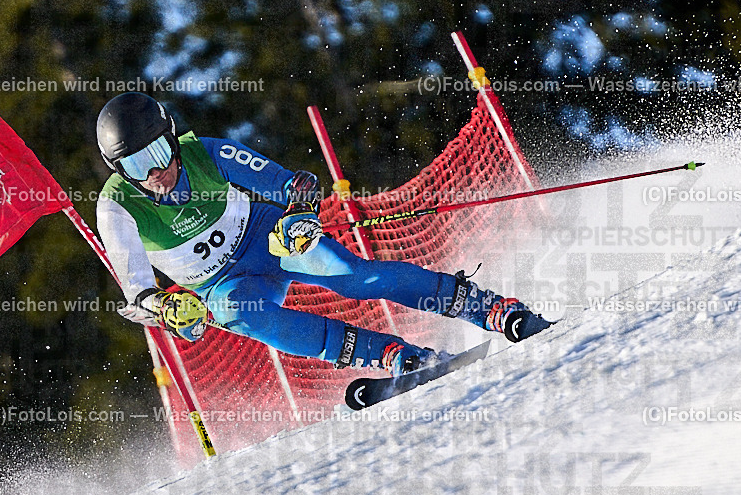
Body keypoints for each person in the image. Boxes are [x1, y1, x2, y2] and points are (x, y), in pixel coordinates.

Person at [95, 92, 551, 377]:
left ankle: (489, 309)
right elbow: (137, 294)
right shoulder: (116, 208)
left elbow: (295, 184)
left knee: (355, 277)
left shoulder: (205, 153)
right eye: (136, 165)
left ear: (172, 139)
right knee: (244, 315)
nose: (155, 173)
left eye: (158, 152)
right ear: (120, 171)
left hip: (266, 240)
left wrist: (297, 215)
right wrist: (168, 307)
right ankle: (394, 356)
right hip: (222, 285)